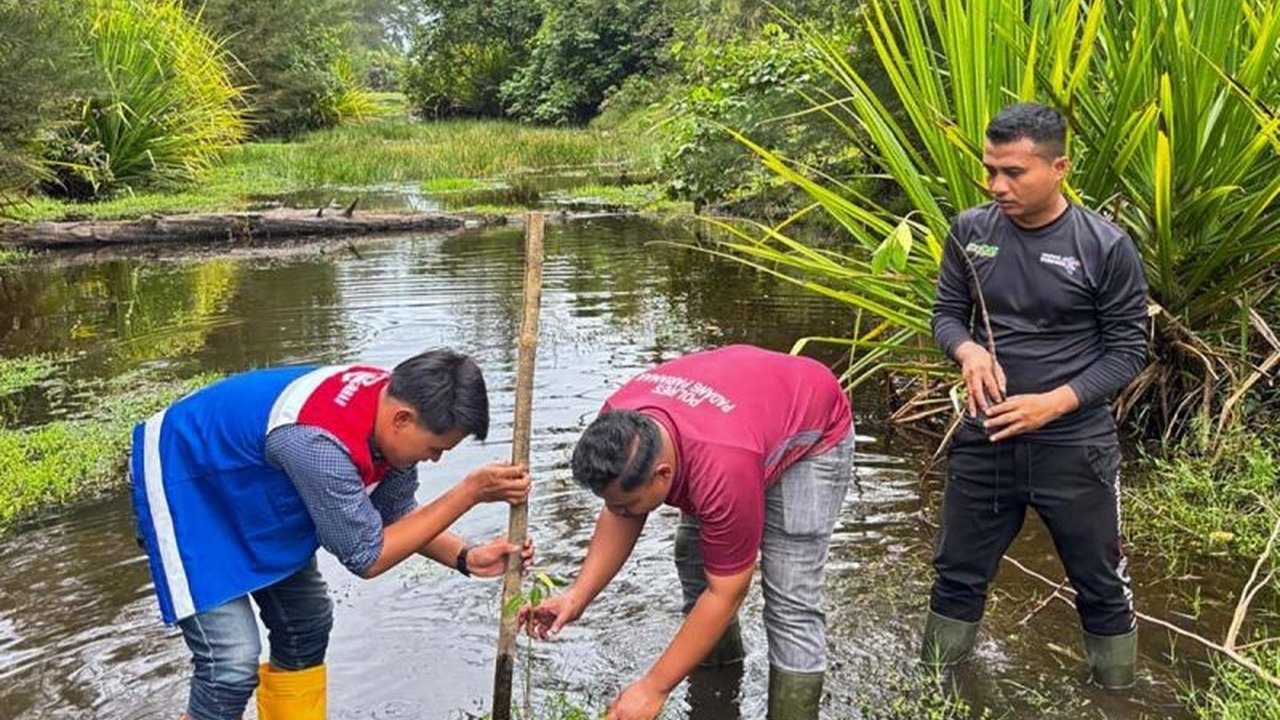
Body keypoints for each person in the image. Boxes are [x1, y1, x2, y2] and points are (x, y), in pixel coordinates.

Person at [130, 349, 533, 720]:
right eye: (435, 448)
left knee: (306, 623)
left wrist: (465, 556)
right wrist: (469, 492)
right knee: (230, 664)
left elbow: (395, 516)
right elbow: (367, 556)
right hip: (185, 480)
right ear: (402, 420)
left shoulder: (390, 413)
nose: (435, 458)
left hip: (250, 485)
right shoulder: (317, 445)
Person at [922, 103, 1149, 688]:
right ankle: (936, 691)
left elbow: (1128, 350)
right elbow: (947, 314)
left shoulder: (1104, 246)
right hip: (987, 435)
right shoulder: (969, 232)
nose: (997, 185)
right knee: (956, 575)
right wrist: (968, 351)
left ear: (1060, 167)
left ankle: (1116, 696)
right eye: (990, 170)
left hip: (1074, 447)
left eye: (1014, 172)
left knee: (1100, 581)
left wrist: (1056, 401)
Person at [520, 344, 854, 720]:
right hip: (736, 420)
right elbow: (620, 513)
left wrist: (652, 688)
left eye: (628, 504)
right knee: (693, 557)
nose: (619, 512)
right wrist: (577, 598)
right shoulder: (619, 423)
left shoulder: (722, 468)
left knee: (790, 602)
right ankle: (719, 685)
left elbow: (727, 592)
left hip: (809, 430)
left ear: (664, 474)